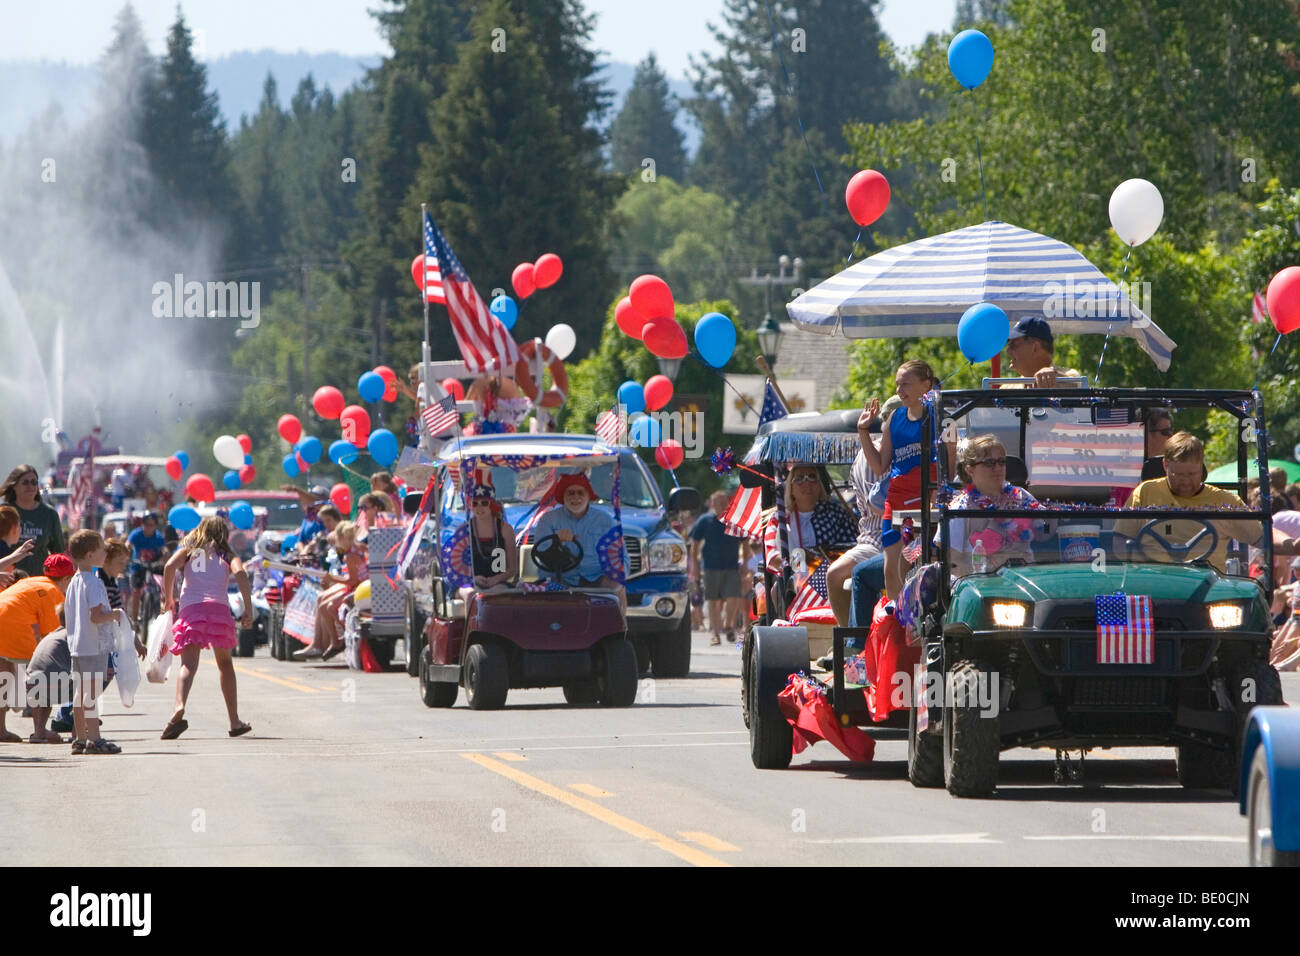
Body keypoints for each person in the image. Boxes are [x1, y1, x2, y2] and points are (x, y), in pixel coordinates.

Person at [1116, 431, 1300, 572]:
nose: (1186, 481)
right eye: (1178, 475)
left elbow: (1261, 535)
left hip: (1206, 587)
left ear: (1201, 467)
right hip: (1154, 580)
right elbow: (1120, 541)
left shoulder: (1224, 501)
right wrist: (1138, 564)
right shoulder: (1146, 492)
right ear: (1165, 465)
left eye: (1192, 474)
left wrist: (1293, 545)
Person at [859, 360, 955, 603]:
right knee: (891, 571)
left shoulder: (945, 417)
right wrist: (864, 432)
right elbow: (880, 465)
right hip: (897, 500)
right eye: (897, 385)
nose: (900, 390)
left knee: (914, 562)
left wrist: (940, 494)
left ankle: (920, 619)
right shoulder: (895, 417)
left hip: (926, 499)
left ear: (927, 385)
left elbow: (951, 466)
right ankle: (897, 622)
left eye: (906, 384)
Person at [160, 516, 253, 740]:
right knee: (225, 665)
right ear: (224, 534)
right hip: (218, 608)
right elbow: (240, 573)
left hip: (192, 607)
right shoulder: (227, 554)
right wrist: (247, 608)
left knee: (188, 665)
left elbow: (169, 565)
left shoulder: (190, 550)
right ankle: (234, 721)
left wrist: (169, 597)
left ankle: (178, 707)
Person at [939, 435, 1047, 577]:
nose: (998, 468)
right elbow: (952, 559)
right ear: (970, 470)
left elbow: (1047, 531)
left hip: (1026, 577)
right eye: (989, 463)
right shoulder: (960, 507)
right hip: (981, 582)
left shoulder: (1021, 497)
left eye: (1001, 462)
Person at [0, 553, 73, 742]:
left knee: (3, 677)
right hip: (12, 627)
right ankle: (40, 731)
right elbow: (49, 636)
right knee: (46, 671)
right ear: (66, 578)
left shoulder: (32, 581)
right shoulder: (54, 593)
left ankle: (1, 729)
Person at [64, 530, 125, 755]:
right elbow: (96, 616)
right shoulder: (95, 583)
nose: (105, 552)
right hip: (93, 646)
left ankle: (80, 738)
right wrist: (116, 614)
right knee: (90, 695)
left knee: (80, 693)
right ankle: (94, 739)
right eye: (101, 548)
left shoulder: (74, 582)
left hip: (78, 646)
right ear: (90, 555)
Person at [763, 465, 858, 608]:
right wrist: (799, 564)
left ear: (819, 485)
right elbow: (773, 556)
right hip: (793, 578)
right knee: (777, 589)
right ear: (791, 486)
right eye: (799, 479)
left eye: (812, 477)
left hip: (833, 573)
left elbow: (853, 546)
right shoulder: (780, 519)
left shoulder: (836, 514)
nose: (806, 483)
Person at [531, 473, 626, 600]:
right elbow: (540, 552)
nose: (575, 497)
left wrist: (617, 576)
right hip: (559, 578)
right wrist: (556, 540)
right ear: (563, 496)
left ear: (588, 496)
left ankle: (618, 620)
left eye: (580, 493)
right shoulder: (548, 520)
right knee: (552, 588)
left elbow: (621, 556)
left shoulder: (605, 520)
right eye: (570, 493)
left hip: (595, 579)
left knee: (618, 585)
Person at [833, 404, 886, 627]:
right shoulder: (870, 455)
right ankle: (849, 641)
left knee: (859, 574)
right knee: (834, 574)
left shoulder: (915, 452)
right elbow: (873, 505)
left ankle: (859, 645)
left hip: (906, 539)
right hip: (874, 537)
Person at [297, 521, 368, 662]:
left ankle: (342, 636)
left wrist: (332, 578)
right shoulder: (358, 548)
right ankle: (335, 640)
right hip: (358, 584)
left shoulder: (350, 556)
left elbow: (352, 581)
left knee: (328, 607)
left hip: (358, 587)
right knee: (322, 603)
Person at [690, 491, 746, 645]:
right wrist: (695, 566)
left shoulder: (734, 521)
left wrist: (746, 563)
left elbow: (745, 542)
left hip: (731, 566)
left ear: (728, 503)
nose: (720, 505)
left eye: (723, 502)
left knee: (733, 597)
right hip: (710, 567)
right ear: (712, 504)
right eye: (717, 503)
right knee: (713, 601)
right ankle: (715, 634)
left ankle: (728, 625)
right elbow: (694, 544)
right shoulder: (705, 521)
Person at [1, 464, 66, 577]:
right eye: (25, 482)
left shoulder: (49, 514)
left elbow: (58, 552)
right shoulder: (5, 513)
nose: (30, 486)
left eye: (34, 482)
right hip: (9, 582)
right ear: (14, 486)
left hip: (39, 582)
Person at [1002, 317, 1083, 388]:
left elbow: (1078, 388)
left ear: (1035, 347)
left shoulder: (1070, 377)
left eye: (1013, 344)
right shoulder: (1007, 388)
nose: (1008, 350)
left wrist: (1054, 378)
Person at [468, 483, 517, 591]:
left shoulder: (505, 529)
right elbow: (458, 568)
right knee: (470, 594)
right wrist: (473, 578)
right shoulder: (464, 530)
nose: (479, 507)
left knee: (495, 592)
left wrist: (496, 579)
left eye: (484, 503)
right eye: (475, 503)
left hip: (499, 582)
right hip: (469, 582)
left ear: (491, 504)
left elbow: (512, 569)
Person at [125, 512, 165, 624]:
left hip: (153, 566)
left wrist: (165, 553)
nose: (149, 527)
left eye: (152, 525)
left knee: (162, 588)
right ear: (143, 524)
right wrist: (127, 549)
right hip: (138, 566)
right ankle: (135, 620)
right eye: (147, 524)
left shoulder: (158, 536)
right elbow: (128, 543)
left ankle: (161, 613)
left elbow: (164, 548)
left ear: (156, 526)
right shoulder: (136, 534)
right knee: (136, 591)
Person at [0, 505, 37, 589]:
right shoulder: (5, 551)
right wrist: (13, 557)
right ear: (14, 528)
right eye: (19, 525)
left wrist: (14, 556)